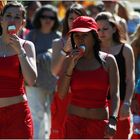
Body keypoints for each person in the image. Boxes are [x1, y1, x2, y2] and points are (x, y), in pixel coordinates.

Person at [57, 16, 120, 139]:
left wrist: (113, 120)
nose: (80, 40)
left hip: (99, 125)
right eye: (76, 36)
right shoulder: (68, 61)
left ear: (94, 37)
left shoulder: (109, 60)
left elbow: (115, 94)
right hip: (74, 125)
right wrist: (70, 67)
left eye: (84, 35)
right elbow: (61, 94)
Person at [0, 1, 37, 139]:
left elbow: (31, 80)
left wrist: (20, 52)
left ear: (22, 23)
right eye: (8, 15)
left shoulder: (27, 46)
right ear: (1, 20)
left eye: (17, 17)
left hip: (18, 115)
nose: (12, 20)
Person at [50, 3, 87, 139]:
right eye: (71, 18)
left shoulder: (92, 42)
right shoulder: (58, 42)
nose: (74, 22)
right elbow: (54, 71)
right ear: (66, 20)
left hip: (84, 95)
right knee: (60, 133)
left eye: (78, 18)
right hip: (63, 95)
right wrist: (64, 50)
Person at [95, 11, 135, 139]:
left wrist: (127, 103)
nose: (101, 32)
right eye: (98, 29)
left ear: (114, 28)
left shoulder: (126, 49)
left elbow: (130, 79)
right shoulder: (93, 50)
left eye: (105, 29)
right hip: (97, 104)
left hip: (121, 103)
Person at [26, 4, 61, 139]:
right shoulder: (32, 35)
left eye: (51, 17)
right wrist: (45, 55)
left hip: (55, 84)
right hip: (35, 82)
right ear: (38, 18)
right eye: (44, 16)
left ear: (55, 20)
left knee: (53, 114)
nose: (48, 20)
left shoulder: (58, 37)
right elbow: (27, 57)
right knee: (37, 115)